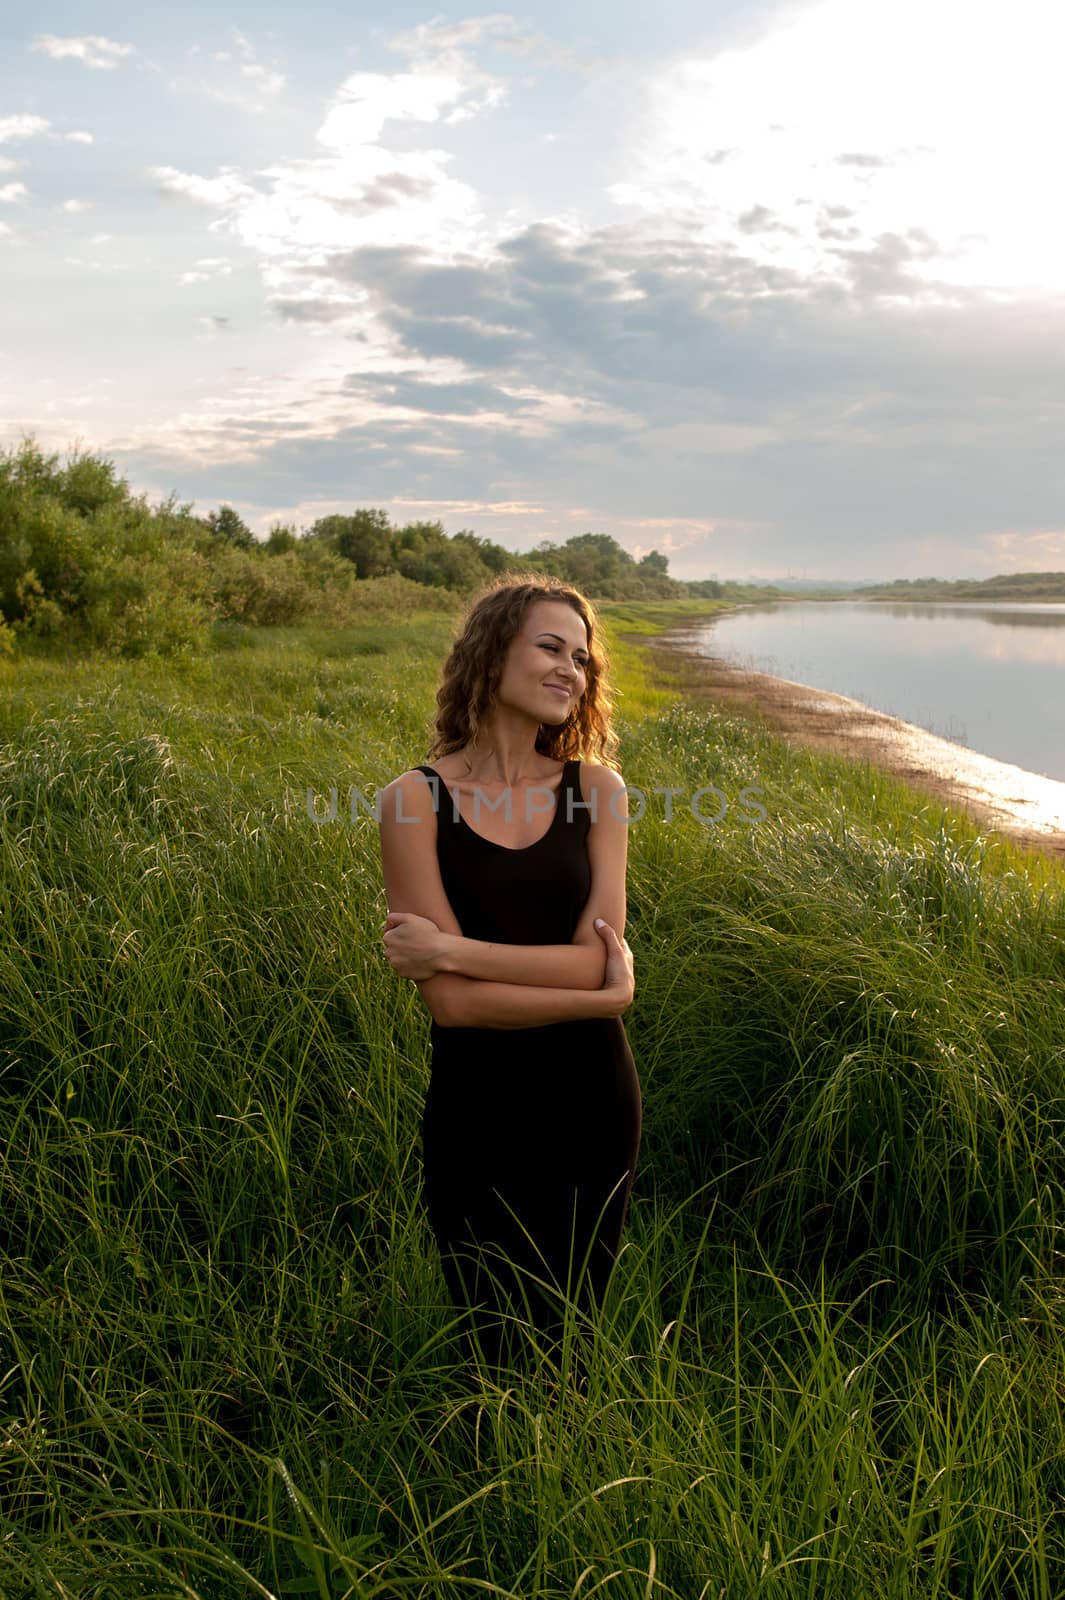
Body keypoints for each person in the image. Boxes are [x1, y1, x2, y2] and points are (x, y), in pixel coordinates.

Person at [377, 575, 641, 1372]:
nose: (572, 670)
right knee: (490, 1339)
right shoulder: (411, 802)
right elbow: (454, 1011)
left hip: (592, 1098)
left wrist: (451, 950)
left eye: (582, 658)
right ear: (492, 655)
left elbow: (597, 956)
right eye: (550, 648)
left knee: (571, 1332)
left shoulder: (597, 792)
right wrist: (597, 995)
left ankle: (561, 1480)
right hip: (478, 1105)